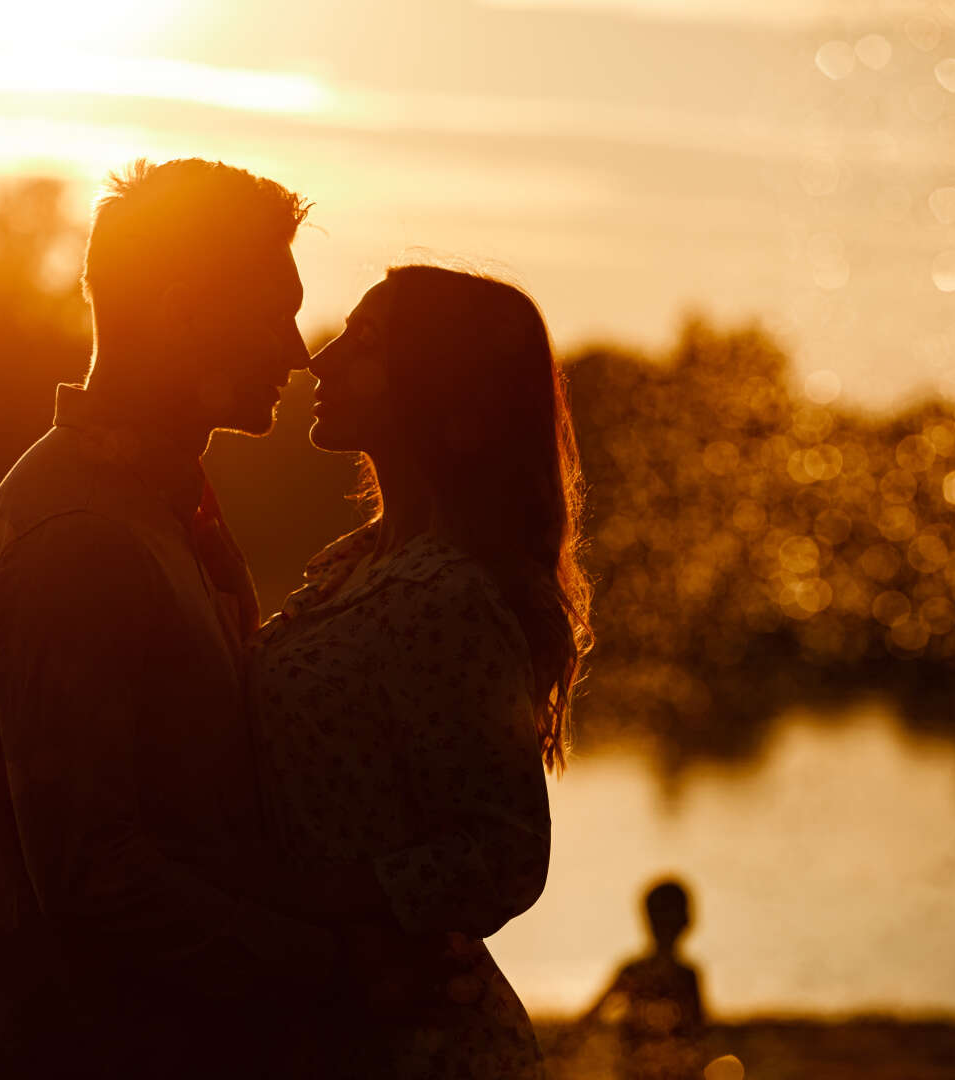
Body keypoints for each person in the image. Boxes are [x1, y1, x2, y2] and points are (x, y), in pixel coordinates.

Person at [0, 158, 333, 1079]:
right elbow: (95, 877)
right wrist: (332, 964)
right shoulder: (79, 538)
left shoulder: (156, 505)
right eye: (272, 308)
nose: (297, 349)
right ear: (181, 307)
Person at [237, 265, 594, 1077]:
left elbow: (505, 851)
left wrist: (315, 901)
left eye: (363, 343)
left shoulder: (449, 593)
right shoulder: (359, 563)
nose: (319, 363)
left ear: (438, 382)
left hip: (416, 1045)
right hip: (337, 1021)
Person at [580, 880, 705, 1080]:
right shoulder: (686, 976)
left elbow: (590, 1020)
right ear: (686, 922)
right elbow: (699, 1036)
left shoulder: (635, 971)